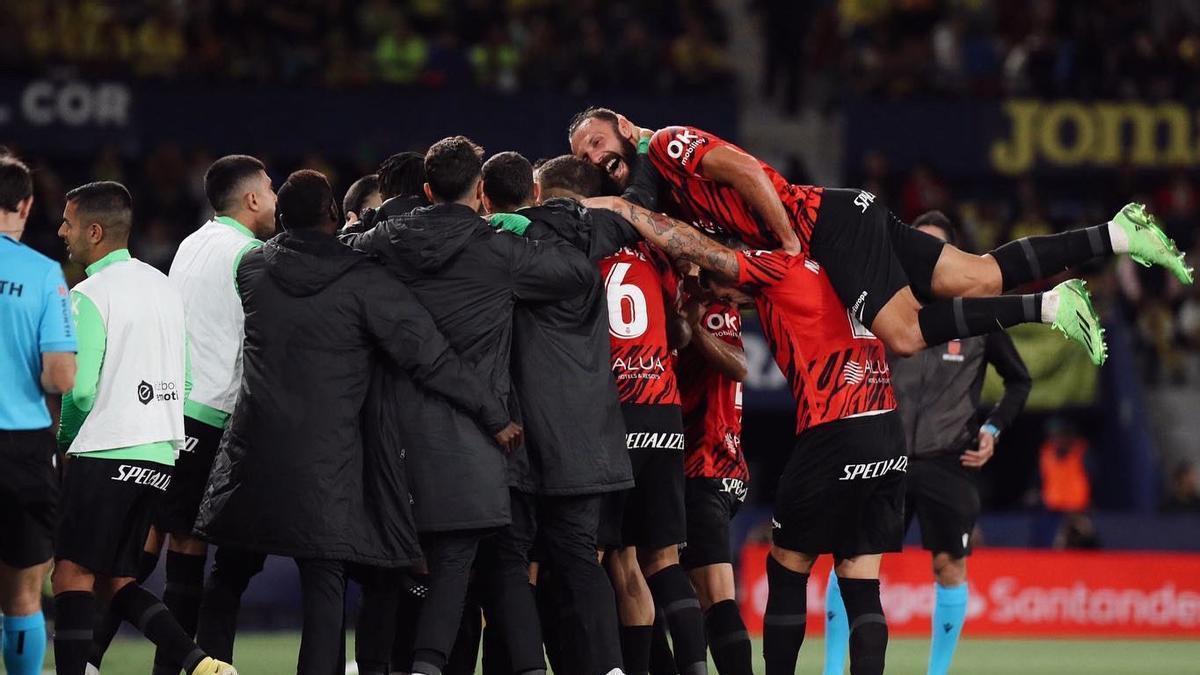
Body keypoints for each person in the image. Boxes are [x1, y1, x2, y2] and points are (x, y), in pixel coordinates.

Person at [194, 169, 519, 675]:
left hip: (253, 456)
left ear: (279, 218)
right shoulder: (364, 279)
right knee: (325, 586)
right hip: (329, 462)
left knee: (228, 575)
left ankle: (207, 667)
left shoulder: (253, 270)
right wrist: (493, 412)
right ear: (331, 215)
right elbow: (429, 357)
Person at [568, 108, 1196, 366]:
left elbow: (749, 171)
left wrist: (788, 242)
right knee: (979, 275)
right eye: (582, 154)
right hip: (847, 216)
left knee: (904, 333)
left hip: (827, 226)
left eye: (598, 141)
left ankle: (1053, 307)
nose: (595, 155)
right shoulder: (666, 197)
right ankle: (1116, 233)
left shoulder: (670, 146)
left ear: (625, 128)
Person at [584, 195, 900, 675]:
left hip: (716, 457)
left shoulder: (743, 284)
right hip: (870, 433)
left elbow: (737, 353)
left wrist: (689, 316)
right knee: (856, 581)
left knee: (680, 569)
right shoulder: (842, 276)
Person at [347, 137, 597, 675]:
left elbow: (341, 251)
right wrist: (526, 225)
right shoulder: (497, 249)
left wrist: (368, 223)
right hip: (482, 432)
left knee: (423, 566)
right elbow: (577, 274)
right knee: (483, 560)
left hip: (398, 437)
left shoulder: (387, 240)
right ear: (482, 191)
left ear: (427, 190)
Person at [823, 211, 1032, 675]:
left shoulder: (977, 319)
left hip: (947, 462)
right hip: (883, 456)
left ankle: (937, 673)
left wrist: (993, 430)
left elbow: (1019, 381)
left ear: (952, 258)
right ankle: (832, 671)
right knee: (852, 562)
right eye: (916, 248)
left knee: (948, 566)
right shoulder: (878, 308)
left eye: (934, 250)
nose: (923, 259)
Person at [51, 181, 235, 675]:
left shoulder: (88, 295)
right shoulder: (164, 287)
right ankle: (201, 665)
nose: (61, 231)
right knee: (118, 580)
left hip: (106, 452)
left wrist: (67, 442)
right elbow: (190, 376)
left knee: (70, 574)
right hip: (159, 456)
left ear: (93, 230)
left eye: (67, 222)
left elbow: (81, 391)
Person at [481, 152, 642, 675]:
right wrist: (640, 148)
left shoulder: (500, 247)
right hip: (589, 433)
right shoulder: (595, 235)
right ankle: (610, 669)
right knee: (577, 557)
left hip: (521, 434)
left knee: (511, 562)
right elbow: (637, 205)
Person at [0, 155, 75, 675]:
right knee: (24, 593)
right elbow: (59, 378)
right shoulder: (44, 273)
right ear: (25, 204)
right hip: (23, 445)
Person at [675, 271, 753, 675]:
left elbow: (740, 366)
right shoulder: (714, 301)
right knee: (674, 586)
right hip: (703, 468)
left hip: (705, 465)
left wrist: (690, 324)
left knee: (714, 598)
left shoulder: (716, 310)